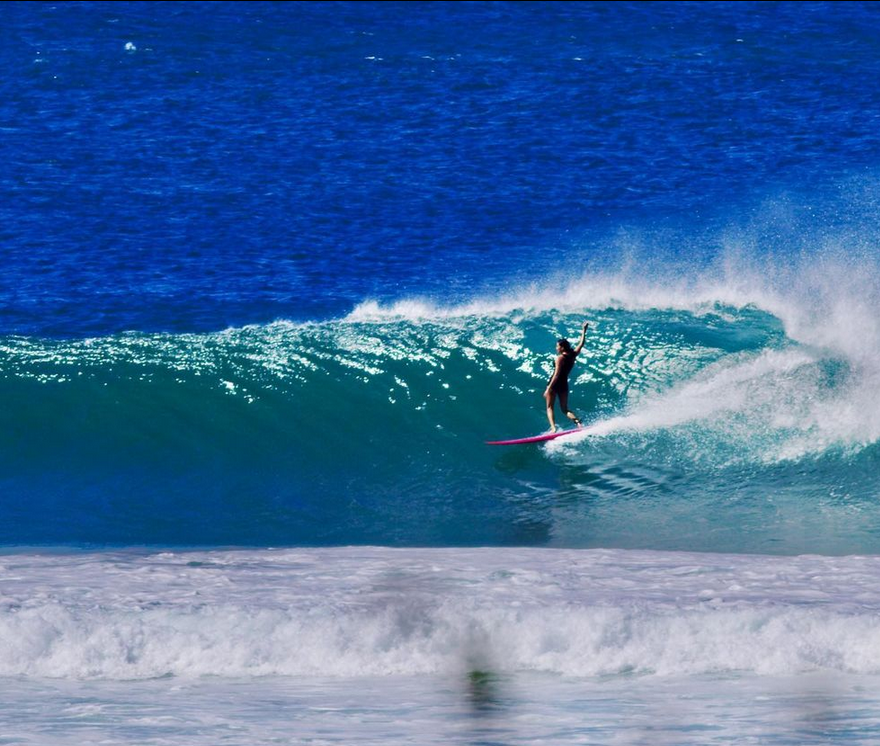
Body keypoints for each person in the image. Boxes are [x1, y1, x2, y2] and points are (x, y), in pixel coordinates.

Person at [544, 321, 589, 432]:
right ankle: (578, 423)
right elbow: (581, 344)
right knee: (564, 409)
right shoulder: (573, 354)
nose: (556, 348)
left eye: (557, 346)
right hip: (564, 384)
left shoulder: (560, 358)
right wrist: (584, 331)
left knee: (550, 407)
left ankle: (553, 428)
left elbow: (556, 374)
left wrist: (549, 388)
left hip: (555, 384)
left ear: (562, 348)